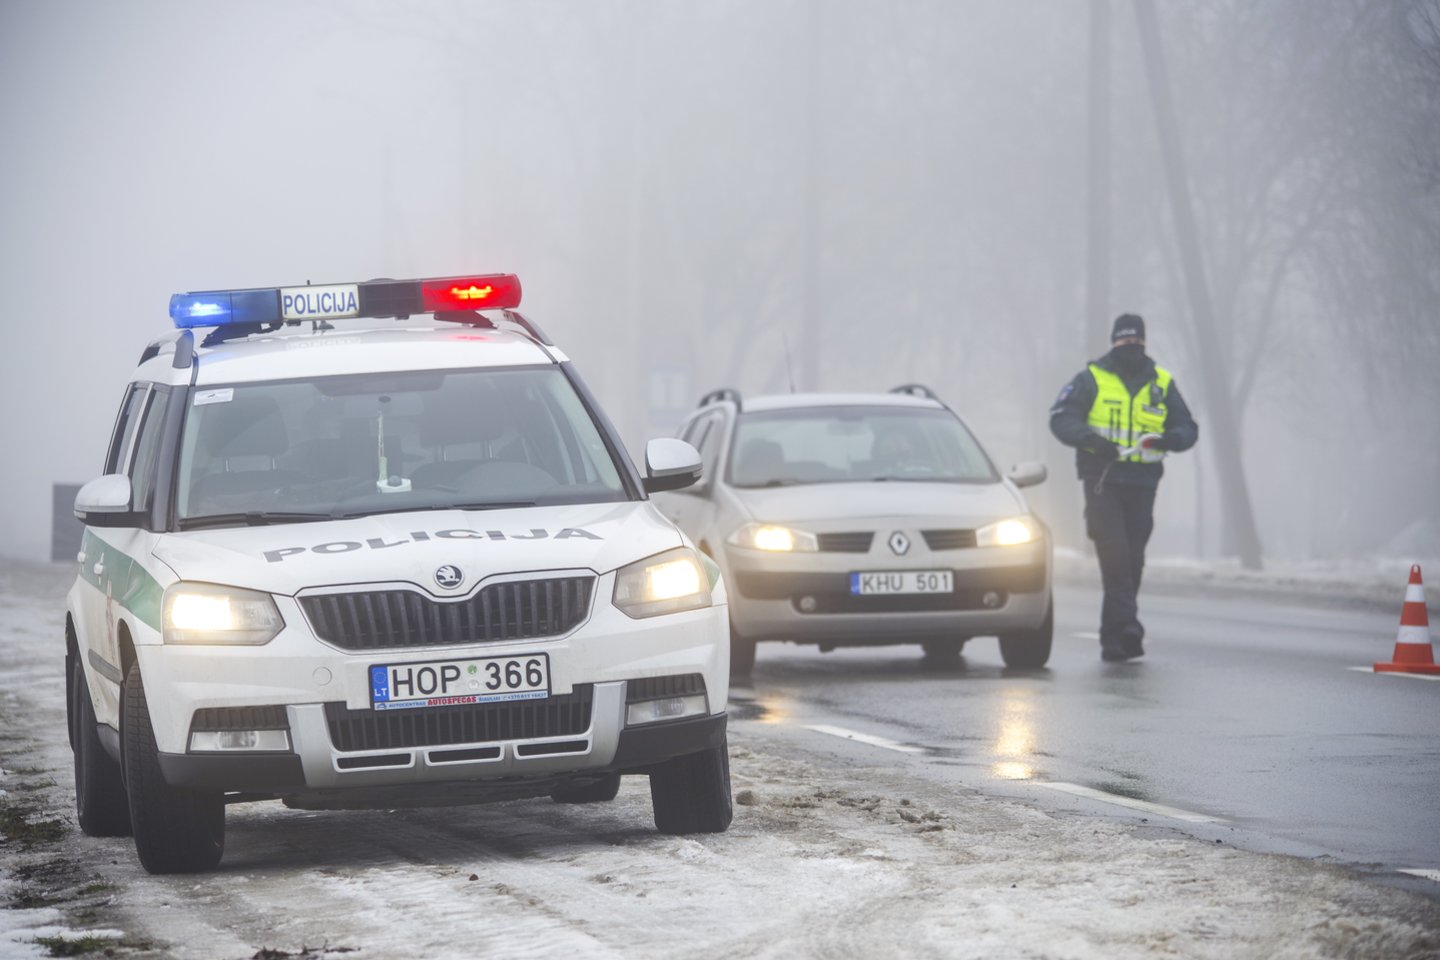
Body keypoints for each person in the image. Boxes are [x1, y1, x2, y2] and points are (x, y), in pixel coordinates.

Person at [1049, 314, 1199, 661]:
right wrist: (1092, 442)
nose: (1129, 347)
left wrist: (1169, 439)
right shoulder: (1092, 378)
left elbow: (1187, 427)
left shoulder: (1161, 382)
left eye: (1135, 341)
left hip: (1144, 485)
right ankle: (1129, 627)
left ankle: (1113, 641)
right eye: (1123, 341)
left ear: (1144, 342)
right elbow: (1060, 418)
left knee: (1132, 562)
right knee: (1115, 558)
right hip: (1102, 482)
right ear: (1113, 341)